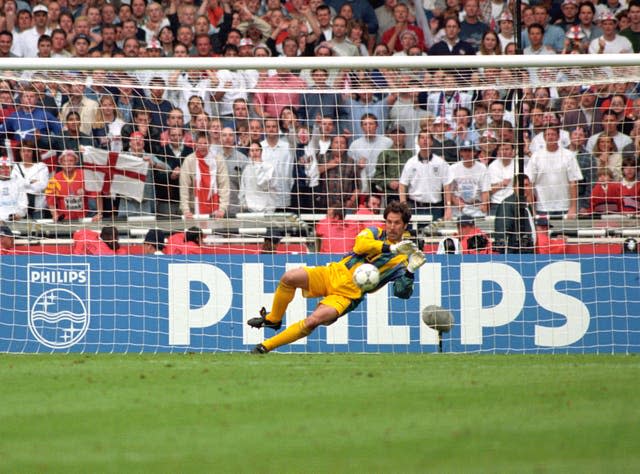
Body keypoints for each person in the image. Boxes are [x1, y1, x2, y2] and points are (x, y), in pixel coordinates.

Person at [247, 200, 426, 354]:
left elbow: (402, 293)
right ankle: (273, 319)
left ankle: (265, 347)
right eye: (388, 222)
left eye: (396, 223)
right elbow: (360, 245)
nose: (391, 227)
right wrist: (391, 248)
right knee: (289, 277)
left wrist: (410, 270)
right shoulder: (374, 232)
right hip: (332, 273)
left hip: (348, 295)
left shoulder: (402, 260)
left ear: (405, 226)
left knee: (312, 321)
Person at [493, 173, 535, 254]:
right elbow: (501, 233)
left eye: (526, 185)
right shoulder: (507, 204)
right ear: (514, 187)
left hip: (528, 254)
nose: (524, 188)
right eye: (521, 185)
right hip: (513, 256)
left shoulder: (527, 205)